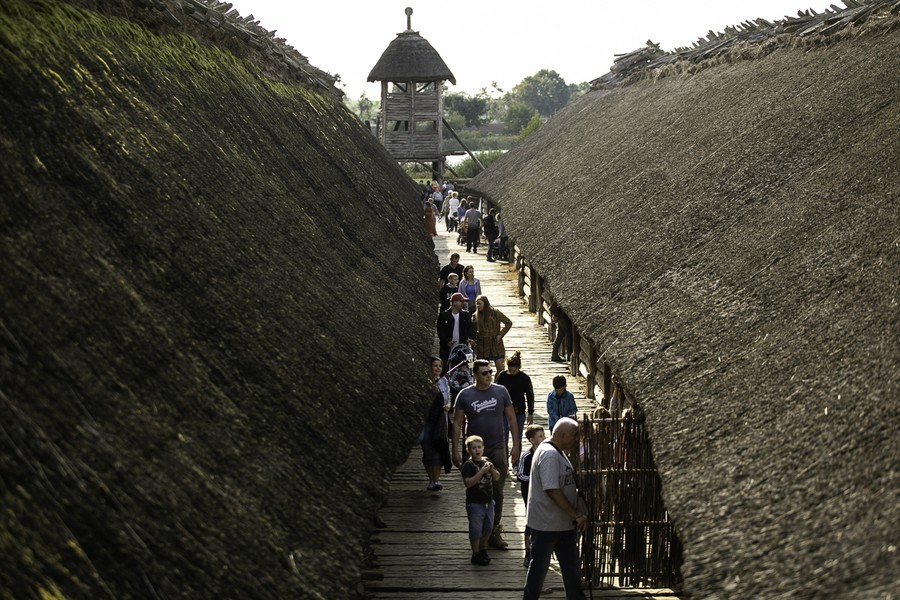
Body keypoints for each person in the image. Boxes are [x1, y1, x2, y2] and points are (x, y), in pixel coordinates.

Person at [453, 359, 521, 550]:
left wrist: (516, 445)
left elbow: (511, 418)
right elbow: (458, 423)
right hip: (475, 450)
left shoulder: (501, 391)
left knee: (498, 490)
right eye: (484, 373)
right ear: (475, 375)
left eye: (490, 372)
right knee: (477, 489)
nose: (489, 375)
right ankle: (480, 531)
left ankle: (494, 531)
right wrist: (455, 450)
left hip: (497, 446)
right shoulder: (465, 395)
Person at [523, 417, 587, 600]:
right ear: (563, 434)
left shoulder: (558, 451)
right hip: (547, 525)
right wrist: (575, 513)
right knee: (538, 571)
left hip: (562, 524)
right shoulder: (549, 454)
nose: (576, 440)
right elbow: (552, 489)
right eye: (574, 436)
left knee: (572, 570)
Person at [461, 434, 501, 566]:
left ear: (483, 448)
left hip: (488, 502)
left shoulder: (486, 460)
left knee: (488, 528)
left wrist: (492, 469)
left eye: (479, 447)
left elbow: (496, 477)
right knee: (476, 529)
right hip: (475, 503)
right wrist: (481, 473)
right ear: (468, 450)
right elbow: (468, 483)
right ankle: (475, 553)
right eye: (474, 448)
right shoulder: (468, 465)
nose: (477, 450)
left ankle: (483, 548)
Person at [517, 424, 546, 568]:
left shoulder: (547, 453)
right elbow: (520, 475)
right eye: (540, 436)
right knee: (530, 522)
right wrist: (535, 478)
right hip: (529, 494)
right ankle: (528, 552)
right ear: (532, 440)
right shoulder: (526, 456)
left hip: (545, 493)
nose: (544, 438)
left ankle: (540, 550)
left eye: (544, 435)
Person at [421, 357, 452, 491]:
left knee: (439, 449)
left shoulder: (444, 381)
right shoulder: (424, 382)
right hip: (427, 422)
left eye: (440, 366)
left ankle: (437, 480)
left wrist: (448, 406)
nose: (438, 368)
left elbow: (449, 399)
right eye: (435, 365)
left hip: (441, 421)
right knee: (428, 450)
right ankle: (431, 479)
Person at [497, 350, 535, 450]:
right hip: (503, 411)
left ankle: (517, 464)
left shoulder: (524, 378)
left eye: (514, 370)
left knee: (517, 439)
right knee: (503, 438)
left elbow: (530, 395)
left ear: (519, 368)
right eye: (510, 370)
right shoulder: (502, 376)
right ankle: (504, 462)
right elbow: (496, 393)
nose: (512, 372)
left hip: (519, 411)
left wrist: (530, 413)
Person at [473, 295, 512, 376]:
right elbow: (472, 331)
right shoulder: (475, 316)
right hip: (482, 345)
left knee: (501, 369)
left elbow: (508, 323)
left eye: (480, 304)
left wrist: (500, 335)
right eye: (477, 304)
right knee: (483, 370)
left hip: (496, 344)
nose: (478, 306)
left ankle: (496, 384)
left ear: (485, 303)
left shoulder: (495, 313)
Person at [436, 292, 474, 370]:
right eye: (461, 301)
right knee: (445, 369)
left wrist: (471, 339)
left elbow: (470, 329)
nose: (462, 303)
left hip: (463, 348)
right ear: (454, 302)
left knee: (469, 367)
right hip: (447, 349)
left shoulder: (466, 315)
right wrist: (447, 341)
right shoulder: (444, 315)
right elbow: (440, 331)